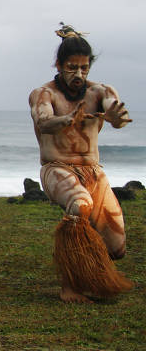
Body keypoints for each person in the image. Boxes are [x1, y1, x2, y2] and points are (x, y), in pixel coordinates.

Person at [29, 24, 133, 303]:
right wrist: (66, 119)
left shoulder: (100, 91)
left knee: (117, 247)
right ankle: (69, 286)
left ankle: (92, 272)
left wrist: (115, 117)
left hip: (93, 172)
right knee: (80, 206)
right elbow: (43, 122)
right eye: (72, 67)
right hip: (56, 168)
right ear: (59, 65)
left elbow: (113, 109)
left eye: (84, 68)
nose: (78, 74)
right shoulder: (44, 94)